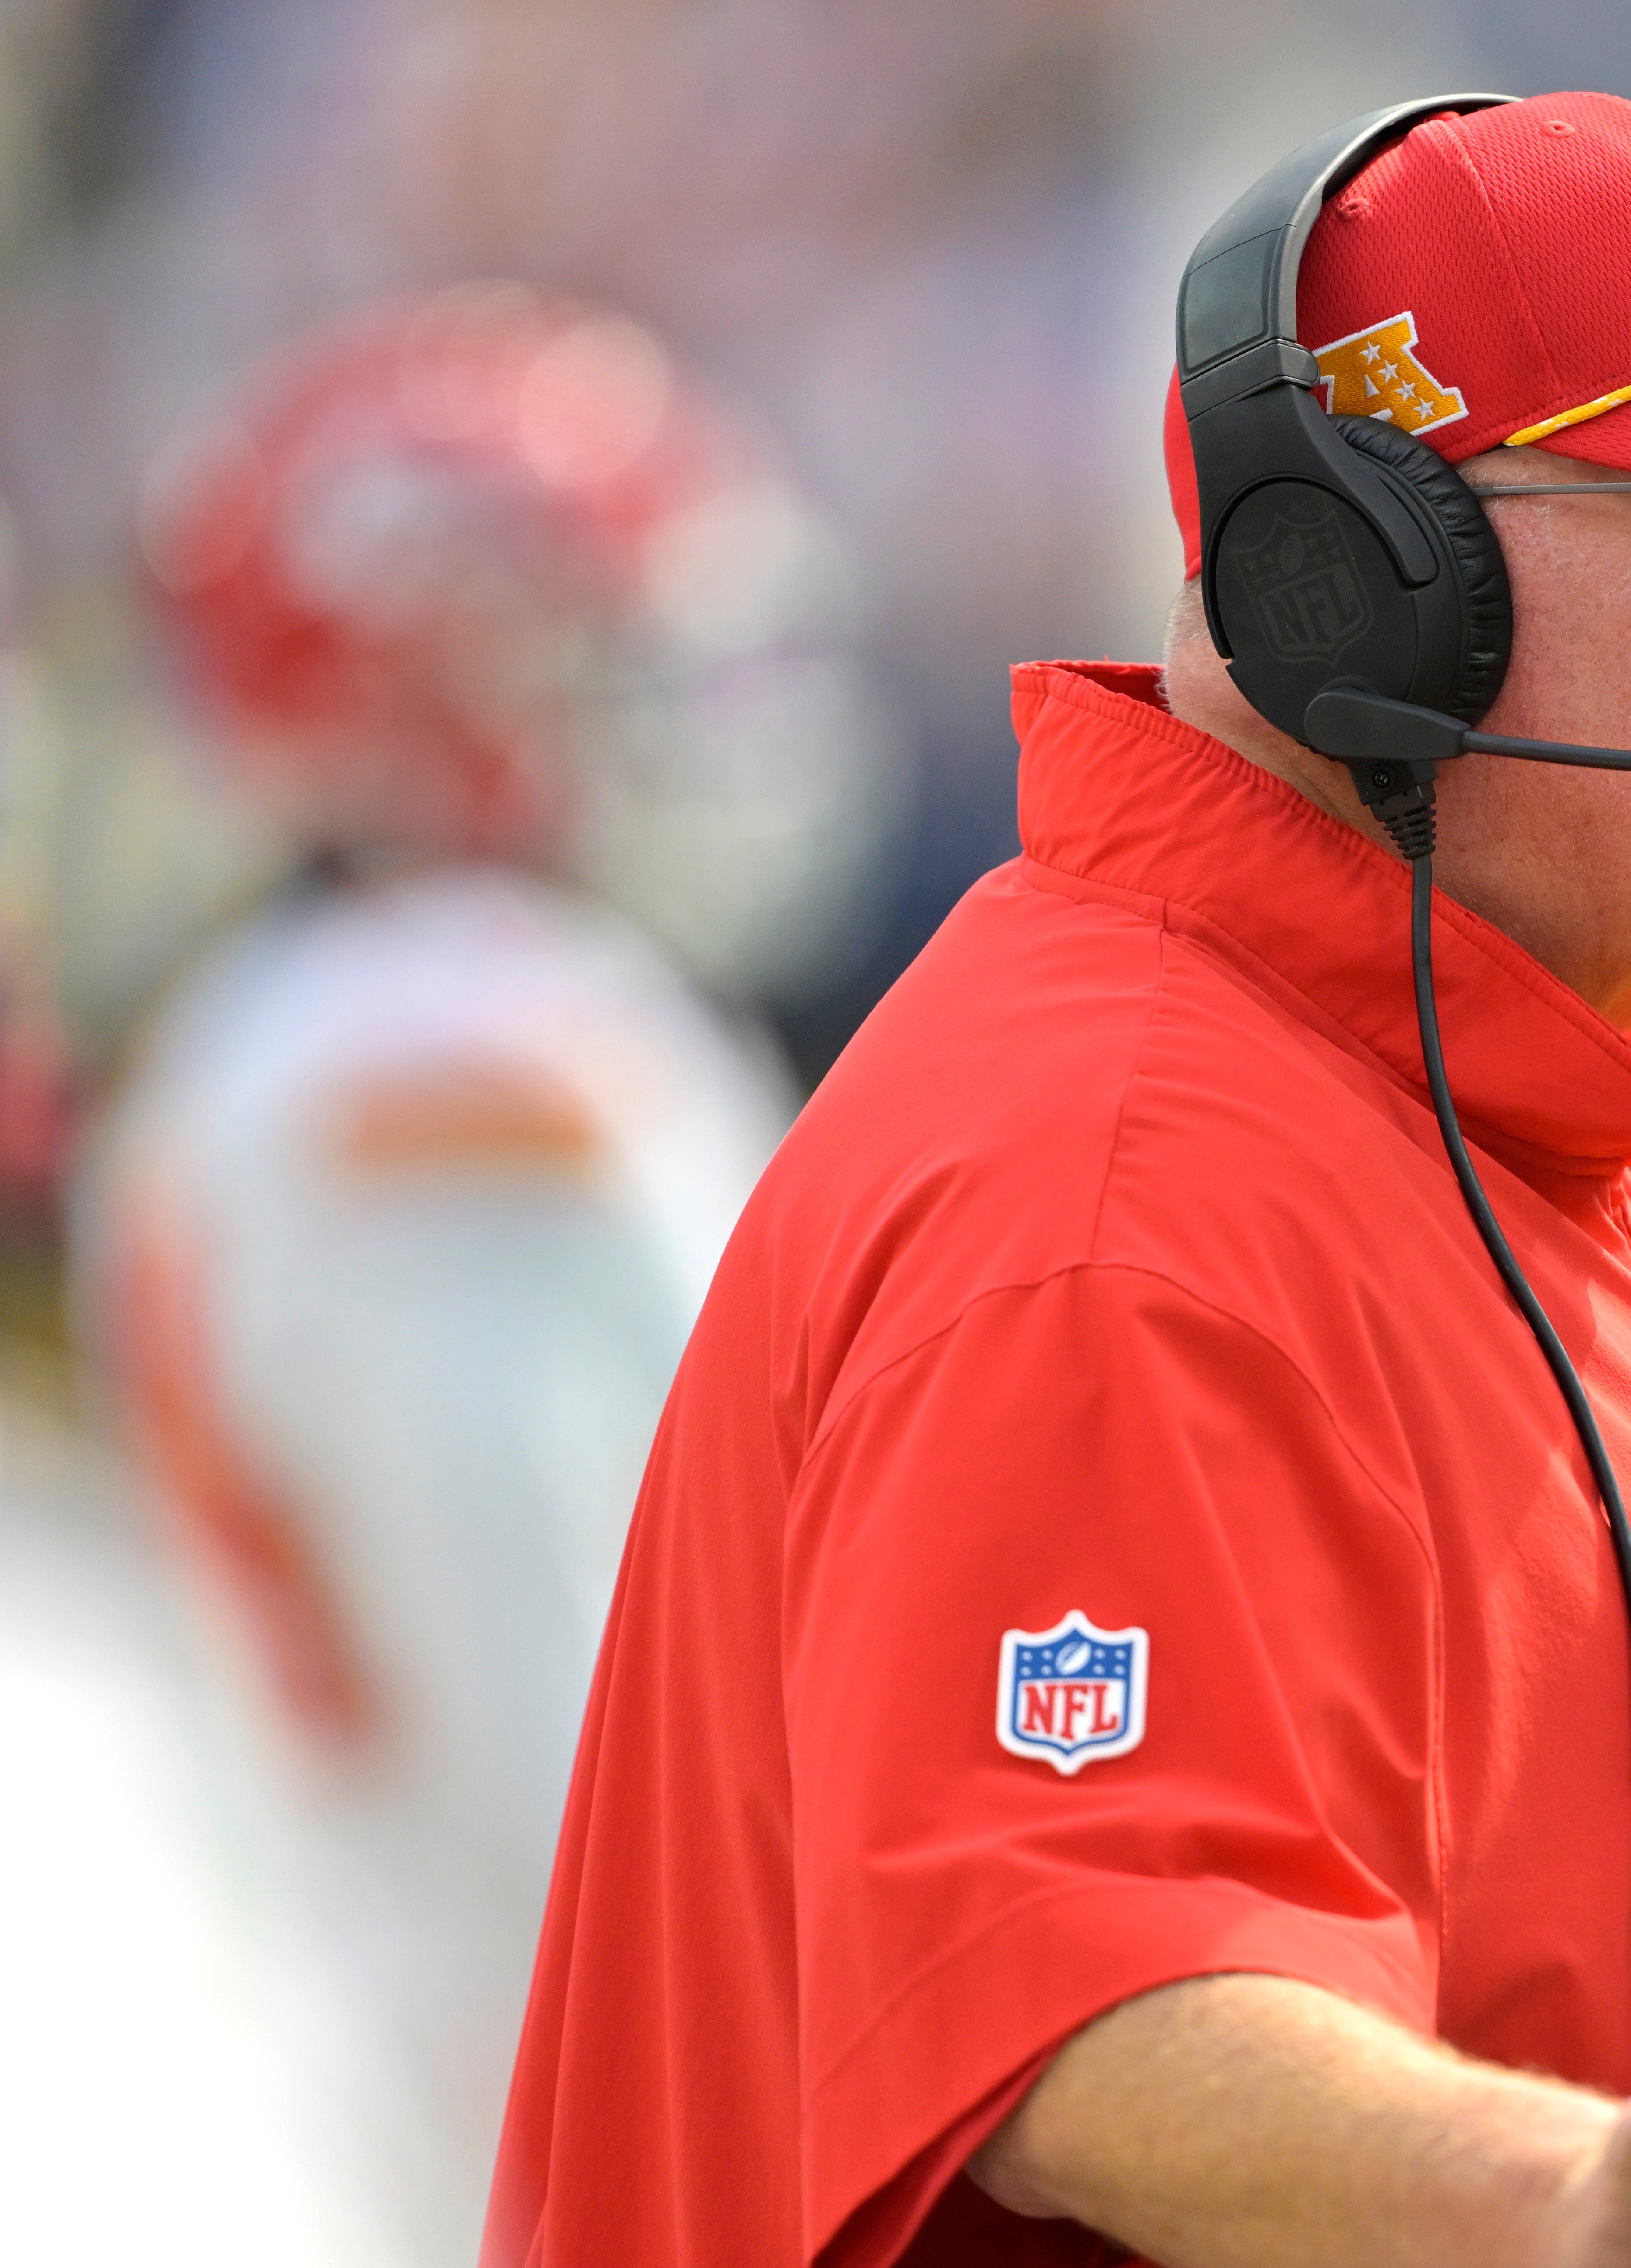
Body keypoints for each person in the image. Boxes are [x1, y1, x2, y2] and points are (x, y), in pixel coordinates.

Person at [487, 93, 1631, 2268]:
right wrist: (1574, 2203)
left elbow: (1400, 1892)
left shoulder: (1401, 1098)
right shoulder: (1118, 1190)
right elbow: (1097, 2006)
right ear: (1371, 584)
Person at [70, 284, 892, 2261]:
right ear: (456, 692)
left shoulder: (342, 1032)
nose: (691, 726)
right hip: (579, 2141)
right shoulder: (464, 1055)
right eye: (614, 665)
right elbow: (588, 1720)